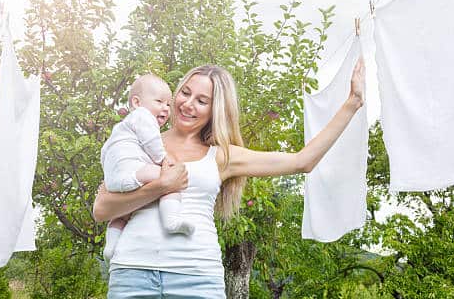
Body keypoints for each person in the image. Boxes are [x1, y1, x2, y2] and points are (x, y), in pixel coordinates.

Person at [93, 62, 366, 298]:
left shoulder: (222, 156)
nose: (188, 104)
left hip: (196, 277)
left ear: (215, 110)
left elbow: (302, 161)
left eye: (201, 101)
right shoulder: (138, 141)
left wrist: (352, 103)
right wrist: (163, 186)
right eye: (185, 93)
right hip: (132, 273)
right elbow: (102, 210)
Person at [101, 74, 196, 262]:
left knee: (122, 213)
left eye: (168, 104)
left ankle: (111, 247)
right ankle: (171, 220)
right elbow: (152, 141)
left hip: (114, 179)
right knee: (171, 180)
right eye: (159, 101)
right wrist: (163, 160)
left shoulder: (120, 129)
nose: (165, 108)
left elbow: (105, 153)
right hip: (134, 171)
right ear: (136, 102)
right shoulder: (143, 116)